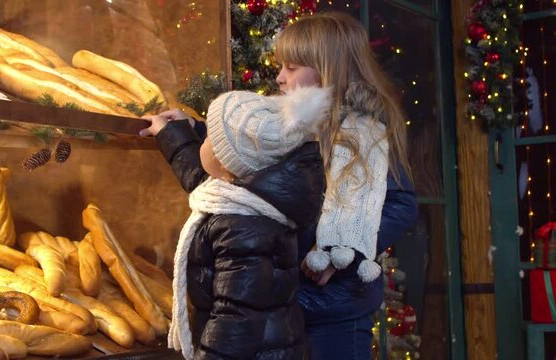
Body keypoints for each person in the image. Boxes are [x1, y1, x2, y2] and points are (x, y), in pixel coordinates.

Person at [140, 86, 332, 359]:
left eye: (209, 139)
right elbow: (199, 176)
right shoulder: (242, 198)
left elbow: (234, 323)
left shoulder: (244, 229)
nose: (202, 142)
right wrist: (171, 133)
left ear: (224, 161)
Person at [272, 12, 418, 360]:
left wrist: (343, 252)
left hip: (336, 308)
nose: (279, 78)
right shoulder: (294, 129)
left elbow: (401, 205)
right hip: (286, 304)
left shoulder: (365, 134)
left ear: (327, 68)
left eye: (291, 68)